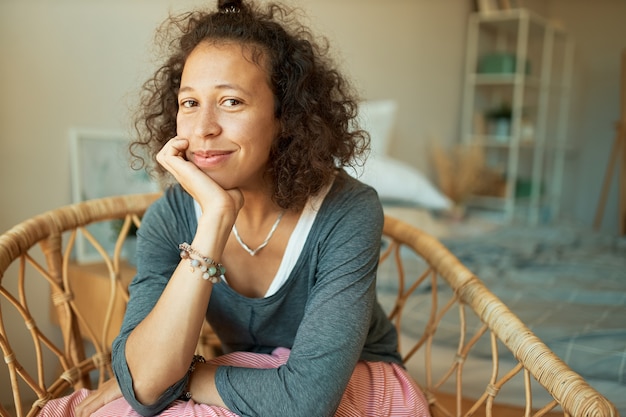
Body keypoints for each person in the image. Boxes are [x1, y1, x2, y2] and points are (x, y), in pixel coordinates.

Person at [42, 0, 431, 416]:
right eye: (189, 103)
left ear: (286, 116)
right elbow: (146, 383)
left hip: (353, 383)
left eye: (231, 102)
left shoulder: (348, 210)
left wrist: (183, 377)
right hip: (243, 383)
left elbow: (306, 401)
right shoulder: (170, 219)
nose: (205, 127)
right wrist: (214, 218)